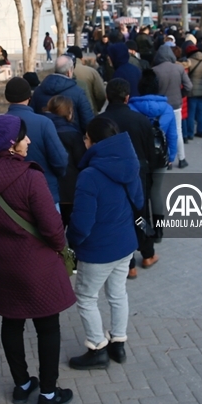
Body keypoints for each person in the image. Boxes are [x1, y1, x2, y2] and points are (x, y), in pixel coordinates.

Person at [0, 115, 76, 404]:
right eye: (24, 138)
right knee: (47, 327)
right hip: (36, 265)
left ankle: (23, 384)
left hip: (0, 264)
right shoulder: (30, 176)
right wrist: (58, 248)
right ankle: (49, 393)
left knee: (11, 322)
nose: (29, 141)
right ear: (11, 145)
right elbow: (53, 227)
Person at [67, 118, 144, 370]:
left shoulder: (90, 175)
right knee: (117, 293)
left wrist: (72, 244)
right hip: (124, 244)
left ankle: (97, 347)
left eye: (87, 138)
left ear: (96, 143)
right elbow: (139, 200)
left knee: (87, 297)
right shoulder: (128, 163)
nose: (84, 141)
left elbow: (82, 223)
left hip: (98, 250)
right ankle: (118, 344)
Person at [99, 79, 159, 278]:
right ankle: (148, 253)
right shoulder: (140, 120)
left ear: (107, 96)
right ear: (127, 98)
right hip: (138, 173)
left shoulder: (99, 122)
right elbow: (151, 152)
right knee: (142, 215)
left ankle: (130, 264)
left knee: (121, 217)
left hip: (110, 174)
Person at [5, 76, 69, 205]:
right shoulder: (44, 123)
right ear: (29, 97)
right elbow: (60, 160)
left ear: (7, 98)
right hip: (45, 193)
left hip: (9, 195)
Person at [45, 95, 87, 226]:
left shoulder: (44, 129)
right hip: (71, 189)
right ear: (69, 111)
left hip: (49, 187)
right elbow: (81, 161)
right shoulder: (73, 134)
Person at [151, 43, 192, 168]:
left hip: (161, 106)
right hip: (176, 104)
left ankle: (166, 160)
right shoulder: (179, 69)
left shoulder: (155, 71)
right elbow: (189, 86)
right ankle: (182, 158)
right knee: (177, 131)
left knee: (162, 132)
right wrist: (181, 94)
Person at [30, 55, 95, 131]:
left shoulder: (39, 90)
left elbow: (33, 116)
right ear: (69, 72)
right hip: (72, 137)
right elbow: (87, 121)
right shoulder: (78, 92)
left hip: (45, 136)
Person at [66, 46, 107, 115]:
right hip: (90, 111)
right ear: (81, 58)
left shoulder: (61, 71)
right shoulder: (92, 72)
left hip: (67, 113)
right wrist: (97, 107)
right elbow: (101, 94)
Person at [184, 43, 202, 139]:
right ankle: (201, 131)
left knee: (191, 112)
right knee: (201, 111)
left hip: (192, 90)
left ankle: (190, 133)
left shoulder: (189, 62)